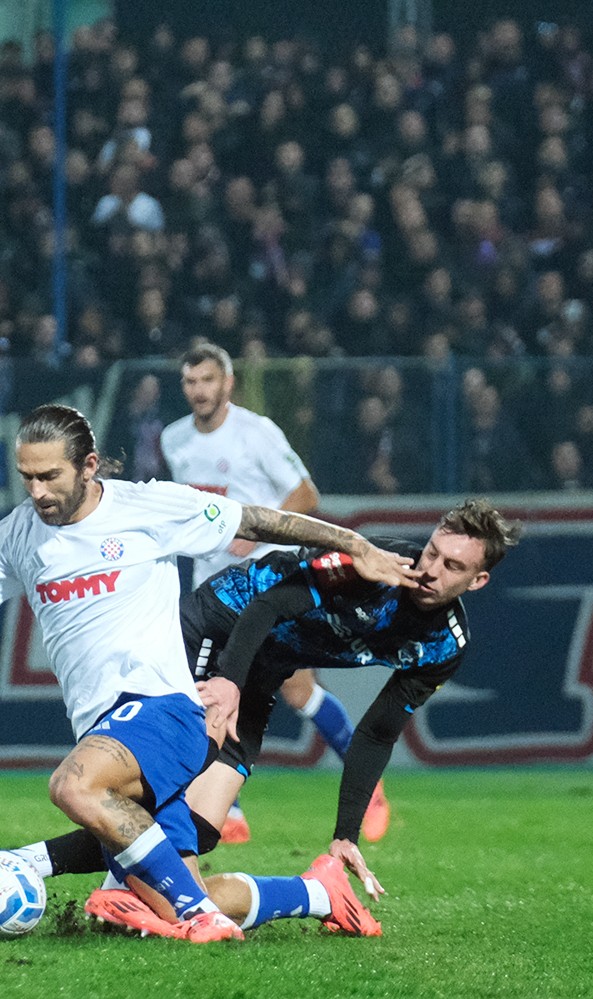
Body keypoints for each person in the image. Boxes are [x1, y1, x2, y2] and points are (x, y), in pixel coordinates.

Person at [0, 404, 417, 943]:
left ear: (89, 466)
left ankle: (196, 920)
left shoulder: (149, 506)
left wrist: (351, 543)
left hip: (163, 710)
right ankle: (320, 893)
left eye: (50, 476)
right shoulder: (14, 537)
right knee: (173, 893)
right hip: (105, 728)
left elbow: (258, 519)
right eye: (27, 477)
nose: (38, 491)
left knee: (72, 786)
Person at [13, 498, 522, 937]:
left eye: (453, 566)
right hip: (220, 626)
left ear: (477, 581)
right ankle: (67, 875)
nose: (431, 568)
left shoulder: (444, 647)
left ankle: (314, 891)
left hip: (263, 668)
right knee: (161, 799)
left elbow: (377, 732)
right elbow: (269, 605)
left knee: (204, 827)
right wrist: (228, 682)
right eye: (433, 551)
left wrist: (345, 833)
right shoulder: (372, 568)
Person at [160, 342, 387, 845]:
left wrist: (255, 533)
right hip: (208, 591)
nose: (199, 391)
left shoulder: (255, 433)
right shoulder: (174, 439)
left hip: (266, 583)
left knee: (296, 689)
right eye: (190, 382)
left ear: (228, 383)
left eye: (207, 381)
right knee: (205, 694)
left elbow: (306, 495)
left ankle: (365, 779)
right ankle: (228, 808)